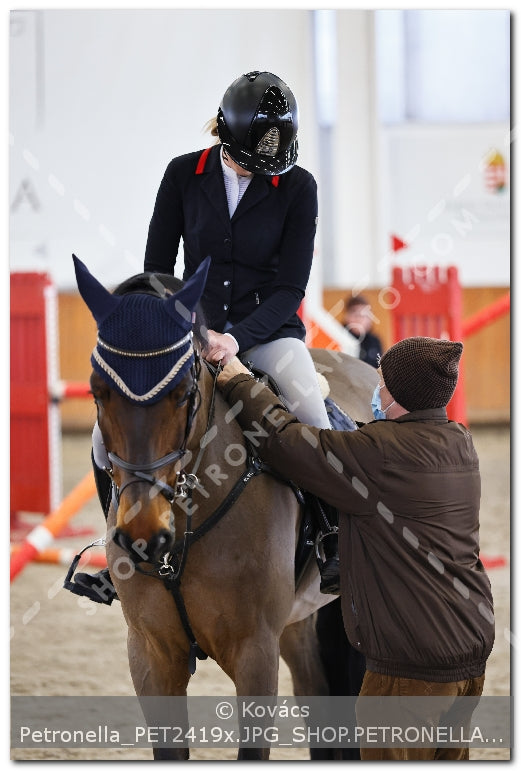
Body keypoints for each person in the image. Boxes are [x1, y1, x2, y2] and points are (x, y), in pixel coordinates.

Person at [69, 70, 340, 603]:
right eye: (251, 160)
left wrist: (236, 339)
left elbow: (291, 288)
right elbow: (156, 269)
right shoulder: (182, 174)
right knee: (104, 439)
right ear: (225, 134)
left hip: (267, 333)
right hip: (188, 331)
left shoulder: (299, 186)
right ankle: (118, 550)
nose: (260, 170)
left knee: (311, 411)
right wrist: (178, 330)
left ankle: (334, 539)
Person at [215, 336, 495, 761]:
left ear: (400, 396)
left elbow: (283, 440)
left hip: (408, 667)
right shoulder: (459, 442)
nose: (376, 392)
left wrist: (238, 381)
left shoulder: (378, 455)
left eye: (381, 384)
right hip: (469, 650)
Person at [343, 294, 383, 368]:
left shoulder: (375, 341)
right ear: (347, 317)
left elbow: (380, 367)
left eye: (364, 315)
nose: (359, 320)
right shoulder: (339, 338)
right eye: (356, 315)